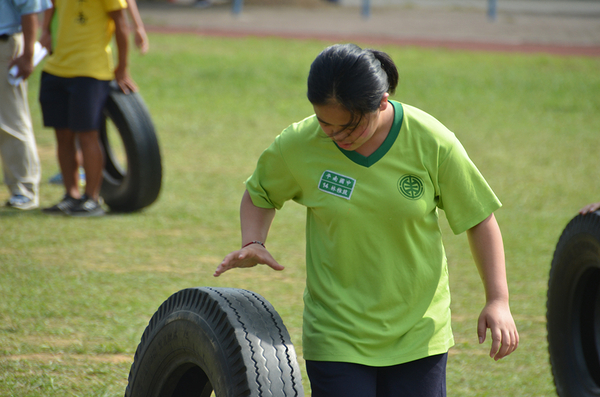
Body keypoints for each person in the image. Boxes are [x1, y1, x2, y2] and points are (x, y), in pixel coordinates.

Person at [215, 44, 519, 396]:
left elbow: (479, 219)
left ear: (382, 103)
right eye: (325, 122)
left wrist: (498, 299)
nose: (335, 135)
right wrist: (254, 240)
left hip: (419, 334)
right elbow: (260, 193)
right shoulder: (300, 143)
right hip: (336, 333)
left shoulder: (431, 140)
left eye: (349, 126)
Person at [38, 0, 137, 216]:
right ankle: (71, 196)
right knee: (63, 135)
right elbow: (51, 7)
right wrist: (45, 30)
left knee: (88, 135)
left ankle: (92, 199)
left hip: (90, 71)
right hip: (56, 68)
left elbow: (121, 23)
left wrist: (123, 67)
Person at [0, 0, 52, 210]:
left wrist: (28, 55)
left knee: (11, 120)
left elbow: (30, 9)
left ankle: (24, 189)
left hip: (5, 46)